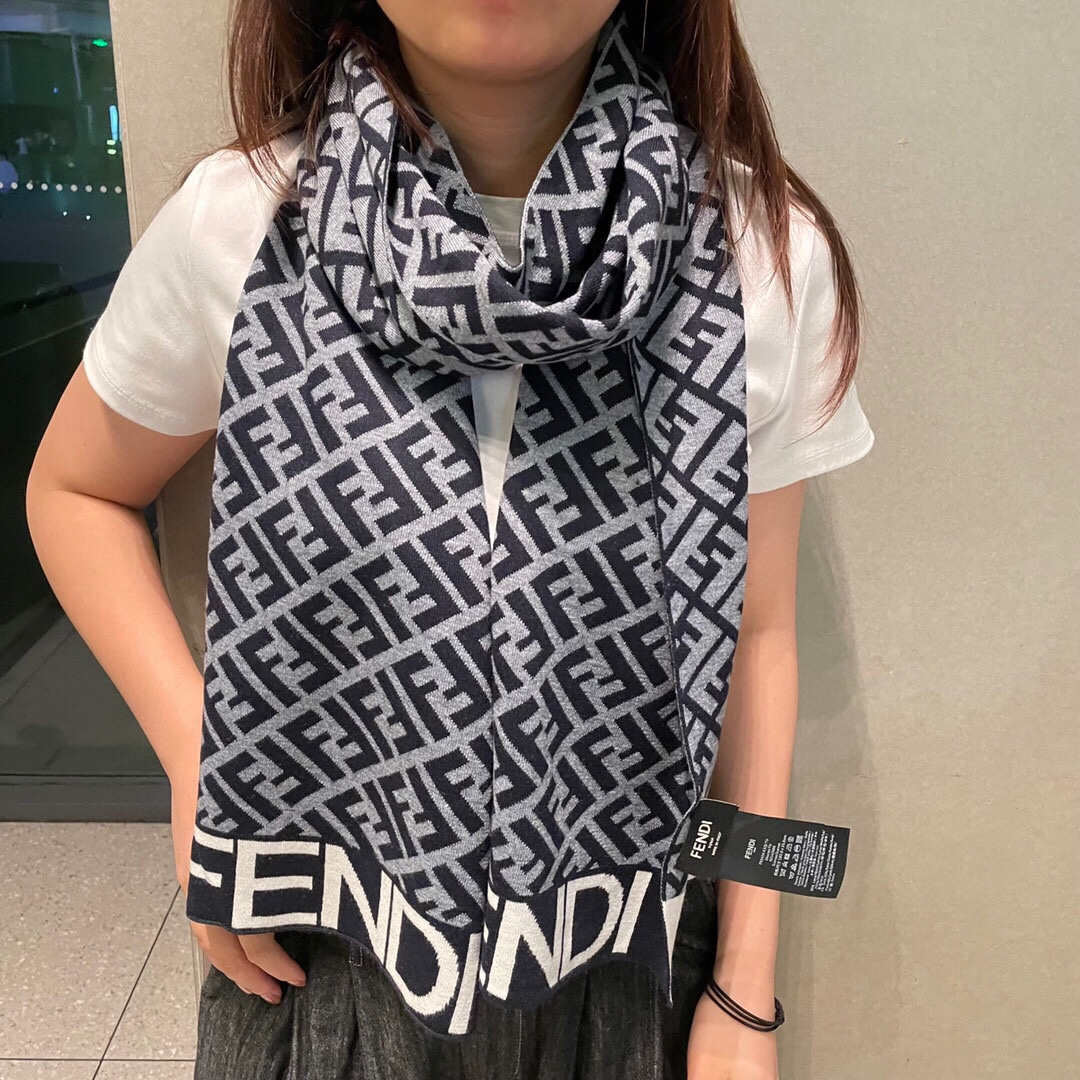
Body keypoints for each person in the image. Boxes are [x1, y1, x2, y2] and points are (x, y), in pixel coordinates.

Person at [25, 1, 875, 1077]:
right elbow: (75, 490)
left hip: (633, 954)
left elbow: (760, 637)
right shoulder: (241, 223)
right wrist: (207, 770)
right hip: (321, 951)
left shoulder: (757, 253)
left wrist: (747, 990)